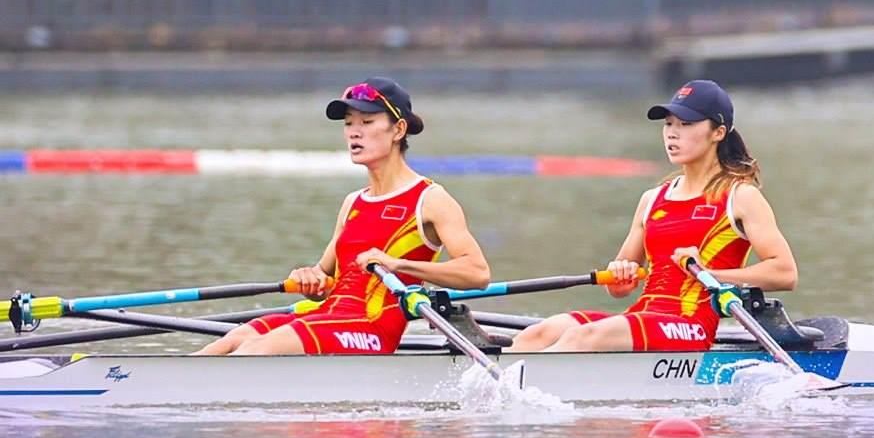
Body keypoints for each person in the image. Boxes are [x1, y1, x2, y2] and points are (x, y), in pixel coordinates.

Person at [201, 78, 490, 356]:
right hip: (329, 316)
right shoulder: (353, 202)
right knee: (235, 339)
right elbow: (323, 282)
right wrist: (308, 277)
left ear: (398, 130)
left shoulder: (430, 199)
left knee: (258, 349)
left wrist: (396, 264)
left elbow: (477, 273)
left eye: (367, 122)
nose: (354, 132)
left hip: (372, 329)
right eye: (349, 123)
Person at [510, 80, 797, 354]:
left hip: (690, 325)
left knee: (583, 337)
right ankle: (508, 385)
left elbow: (784, 273)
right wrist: (620, 275)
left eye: (686, 124)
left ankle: (528, 384)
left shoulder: (741, 196)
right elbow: (617, 288)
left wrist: (710, 274)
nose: (672, 133)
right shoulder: (652, 199)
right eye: (669, 124)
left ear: (718, 132)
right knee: (539, 333)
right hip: (645, 315)